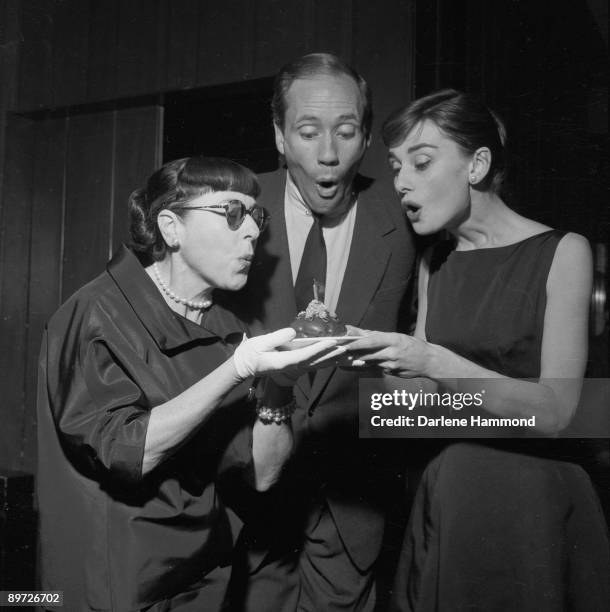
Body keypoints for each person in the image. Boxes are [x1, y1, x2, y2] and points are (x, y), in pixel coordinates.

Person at [36, 156, 341, 612]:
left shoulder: (230, 329)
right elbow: (126, 452)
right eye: (232, 214)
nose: (255, 231)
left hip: (203, 579)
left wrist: (280, 385)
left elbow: (261, 474)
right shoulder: (99, 312)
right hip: (116, 583)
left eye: (256, 216)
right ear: (171, 227)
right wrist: (235, 370)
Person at [347, 89, 610, 611]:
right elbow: (419, 408)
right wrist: (374, 366)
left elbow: (558, 412)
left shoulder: (564, 252)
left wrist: (434, 364)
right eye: (396, 166)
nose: (402, 182)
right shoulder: (433, 265)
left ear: (478, 164)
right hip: (450, 493)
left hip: (531, 503)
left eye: (421, 163)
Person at [229, 53, 416, 611]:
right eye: (308, 133)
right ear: (281, 138)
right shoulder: (232, 207)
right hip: (246, 501)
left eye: (347, 131)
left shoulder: (407, 215)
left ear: (366, 140)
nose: (329, 155)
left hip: (352, 506)